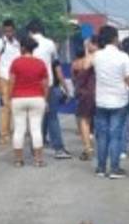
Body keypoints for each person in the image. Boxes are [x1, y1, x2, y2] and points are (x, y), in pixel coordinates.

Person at [92, 25, 129, 179]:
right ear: (115, 38)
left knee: (102, 136)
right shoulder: (123, 57)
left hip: (101, 100)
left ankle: (101, 167)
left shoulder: (97, 56)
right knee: (116, 135)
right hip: (119, 100)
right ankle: (115, 168)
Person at [28, 20, 72, 160]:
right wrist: (66, 87)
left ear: (30, 31)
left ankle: (35, 149)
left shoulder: (25, 44)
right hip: (48, 85)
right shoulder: (50, 44)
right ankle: (58, 149)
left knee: (35, 118)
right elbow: (57, 67)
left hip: (31, 85)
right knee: (52, 117)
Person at [9, 34, 50, 167]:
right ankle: (38, 160)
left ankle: (18, 160)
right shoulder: (40, 63)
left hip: (18, 98)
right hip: (37, 98)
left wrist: (9, 97)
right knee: (36, 129)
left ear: (23, 48)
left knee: (19, 129)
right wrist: (45, 99)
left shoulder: (16, 62)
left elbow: (11, 82)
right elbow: (45, 84)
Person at [0, 20, 21, 145]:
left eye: (10, 30)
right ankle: (3, 134)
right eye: (6, 31)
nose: (8, 33)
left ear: (14, 30)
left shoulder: (17, 44)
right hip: (4, 76)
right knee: (5, 106)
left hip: (16, 78)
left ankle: (11, 131)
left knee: (14, 106)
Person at [72, 36, 98, 160]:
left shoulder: (86, 60)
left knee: (84, 120)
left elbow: (79, 76)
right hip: (102, 93)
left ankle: (88, 148)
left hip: (87, 93)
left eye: (88, 44)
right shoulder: (104, 56)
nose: (86, 47)